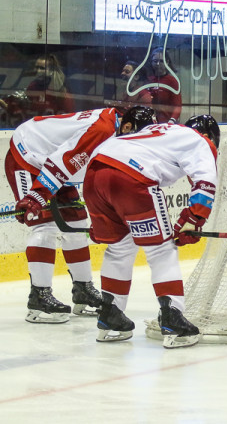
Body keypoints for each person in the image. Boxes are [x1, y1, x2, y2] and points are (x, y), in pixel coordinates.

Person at [8, 105, 156, 324]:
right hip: (28, 156)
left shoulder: (117, 131)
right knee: (45, 226)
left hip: (56, 166)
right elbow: (65, 160)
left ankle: (83, 289)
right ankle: (39, 295)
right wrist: (37, 196)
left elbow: (96, 177)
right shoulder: (102, 131)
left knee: (77, 223)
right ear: (127, 126)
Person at [82, 115, 219, 348]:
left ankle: (110, 316)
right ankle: (173, 318)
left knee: (119, 246)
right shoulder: (199, 140)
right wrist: (194, 218)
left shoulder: (161, 132)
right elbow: (205, 181)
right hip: (132, 176)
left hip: (94, 173)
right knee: (162, 249)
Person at [141, 47, 181, 124]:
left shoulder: (172, 81)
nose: (158, 64)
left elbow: (177, 106)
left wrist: (171, 121)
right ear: (151, 62)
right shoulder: (148, 80)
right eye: (155, 61)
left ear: (167, 62)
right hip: (149, 123)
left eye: (161, 61)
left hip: (166, 123)